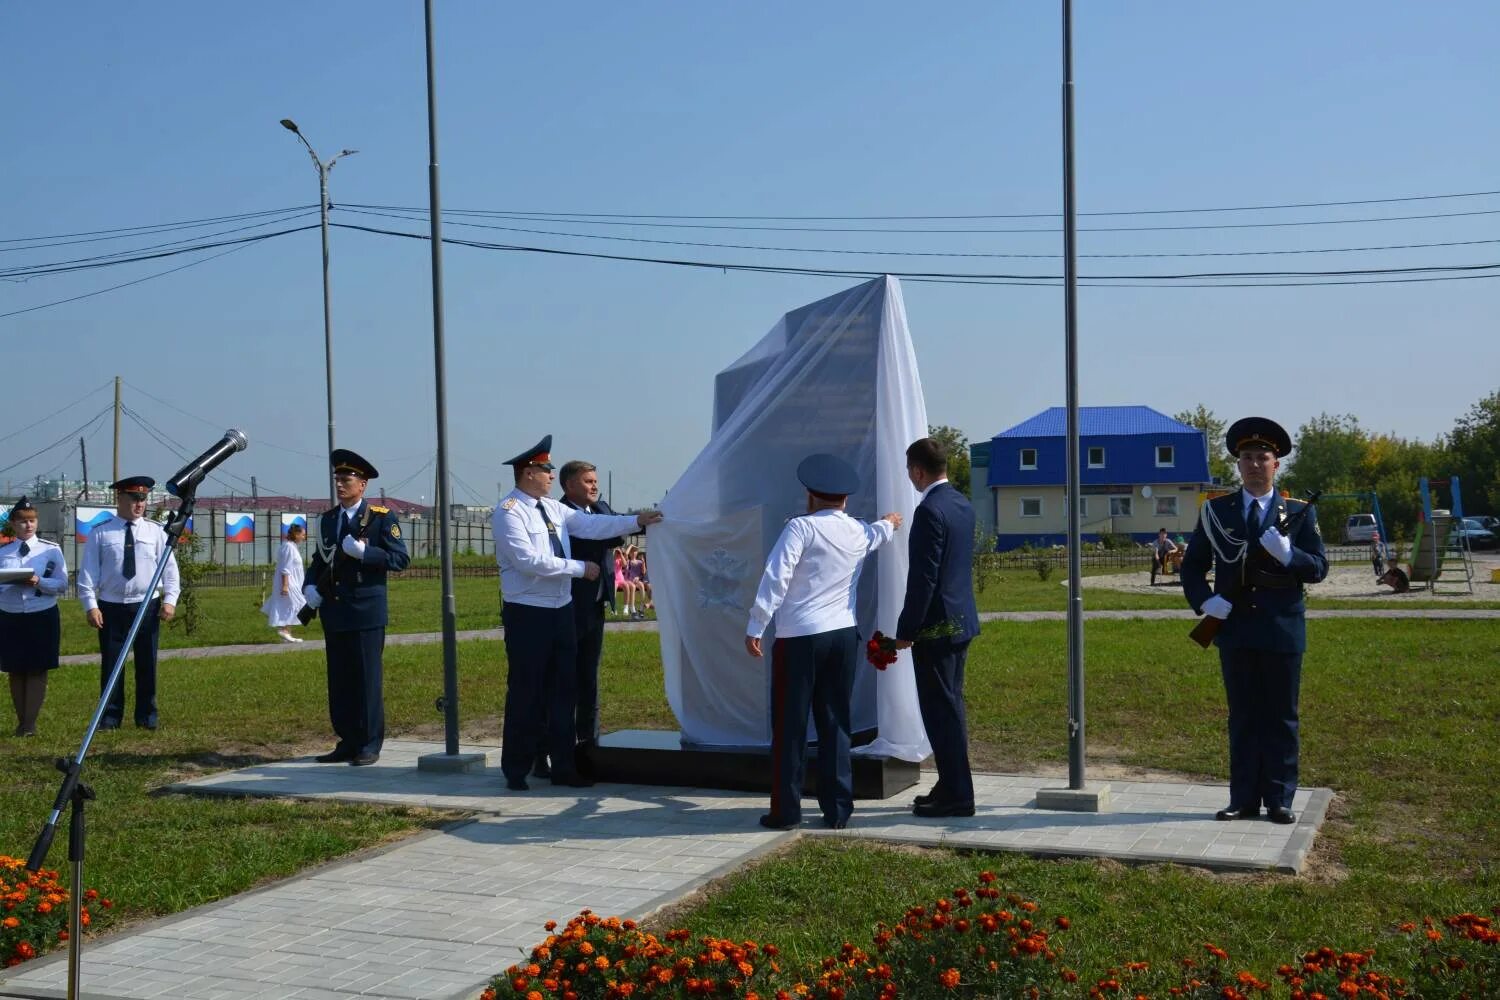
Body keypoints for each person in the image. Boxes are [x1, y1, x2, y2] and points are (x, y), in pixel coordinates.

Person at [1180, 417, 1328, 825]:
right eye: (1247, 457)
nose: (1254, 464)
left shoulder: (1298, 513)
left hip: (1282, 630)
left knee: (1281, 717)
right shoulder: (1216, 510)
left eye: (1263, 457)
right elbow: (1192, 568)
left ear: (1276, 464)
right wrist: (1206, 602)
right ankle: (1243, 798)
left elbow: (1318, 568)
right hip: (1236, 630)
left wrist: (1288, 556)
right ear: (1238, 464)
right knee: (1243, 716)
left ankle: (1279, 799)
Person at [493, 435, 661, 791]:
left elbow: (592, 525)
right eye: (545, 470)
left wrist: (637, 520)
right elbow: (527, 561)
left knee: (564, 691)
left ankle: (564, 766)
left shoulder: (553, 509)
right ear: (527, 473)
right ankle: (517, 768)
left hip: (560, 610)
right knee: (527, 690)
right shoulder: (509, 511)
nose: (550, 476)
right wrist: (578, 568)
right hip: (528, 613)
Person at [745, 454, 902, 830]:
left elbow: (776, 577)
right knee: (835, 722)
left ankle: (786, 810)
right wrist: (891, 523)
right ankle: (837, 810)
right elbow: (879, 533)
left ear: (811, 496)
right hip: (843, 635)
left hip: (799, 637)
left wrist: (756, 625)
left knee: (791, 724)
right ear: (845, 499)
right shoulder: (859, 531)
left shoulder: (801, 529)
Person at [303, 450, 410, 766]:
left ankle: (369, 743)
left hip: (366, 611)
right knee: (340, 680)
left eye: (346, 480)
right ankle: (347, 740)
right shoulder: (329, 519)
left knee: (366, 680)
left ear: (362, 484)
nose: (340, 485)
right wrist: (310, 585)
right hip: (335, 611)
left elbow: (400, 559)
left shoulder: (379, 517)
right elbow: (321, 559)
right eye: (337, 479)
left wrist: (367, 554)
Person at [894, 437, 981, 819]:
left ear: (917, 470)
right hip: (961, 622)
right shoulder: (961, 503)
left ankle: (958, 795)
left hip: (937, 628)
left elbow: (923, 580)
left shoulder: (929, 510)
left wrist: (905, 629)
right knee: (950, 707)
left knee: (940, 712)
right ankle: (950, 784)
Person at [77, 476, 180, 731]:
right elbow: (88, 573)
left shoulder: (155, 531)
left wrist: (170, 600)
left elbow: (169, 569)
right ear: (119, 499)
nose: (139, 504)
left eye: (143, 499)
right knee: (112, 664)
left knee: (147, 663)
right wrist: (90, 605)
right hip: (111, 606)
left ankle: (147, 717)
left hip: (146, 605)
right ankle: (110, 718)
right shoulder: (101, 532)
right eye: (134, 498)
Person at [557, 459, 626, 774]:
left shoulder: (601, 509)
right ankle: (559, 752)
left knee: (590, 681)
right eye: (587, 482)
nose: (594, 486)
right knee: (564, 682)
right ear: (569, 486)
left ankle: (590, 749)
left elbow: (616, 536)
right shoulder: (562, 515)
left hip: (596, 606)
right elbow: (596, 536)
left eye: (595, 481)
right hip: (569, 607)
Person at [0, 498, 67, 736]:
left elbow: (62, 584)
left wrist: (38, 581)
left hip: (41, 613)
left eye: (32, 520)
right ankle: (21, 721)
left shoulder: (51, 550)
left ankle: (30, 724)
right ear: (13, 523)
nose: (28, 526)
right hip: (11, 614)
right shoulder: (4, 552)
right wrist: (10, 582)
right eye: (22, 521)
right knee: (16, 669)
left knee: (38, 668)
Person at [261, 522, 308, 642]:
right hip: (290, 583)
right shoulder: (288, 547)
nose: (304, 537)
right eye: (302, 535)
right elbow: (285, 568)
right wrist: (286, 585)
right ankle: (284, 631)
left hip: (294, 583)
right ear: (296, 535)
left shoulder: (291, 546)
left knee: (290, 605)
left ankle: (286, 633)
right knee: (297, 605)